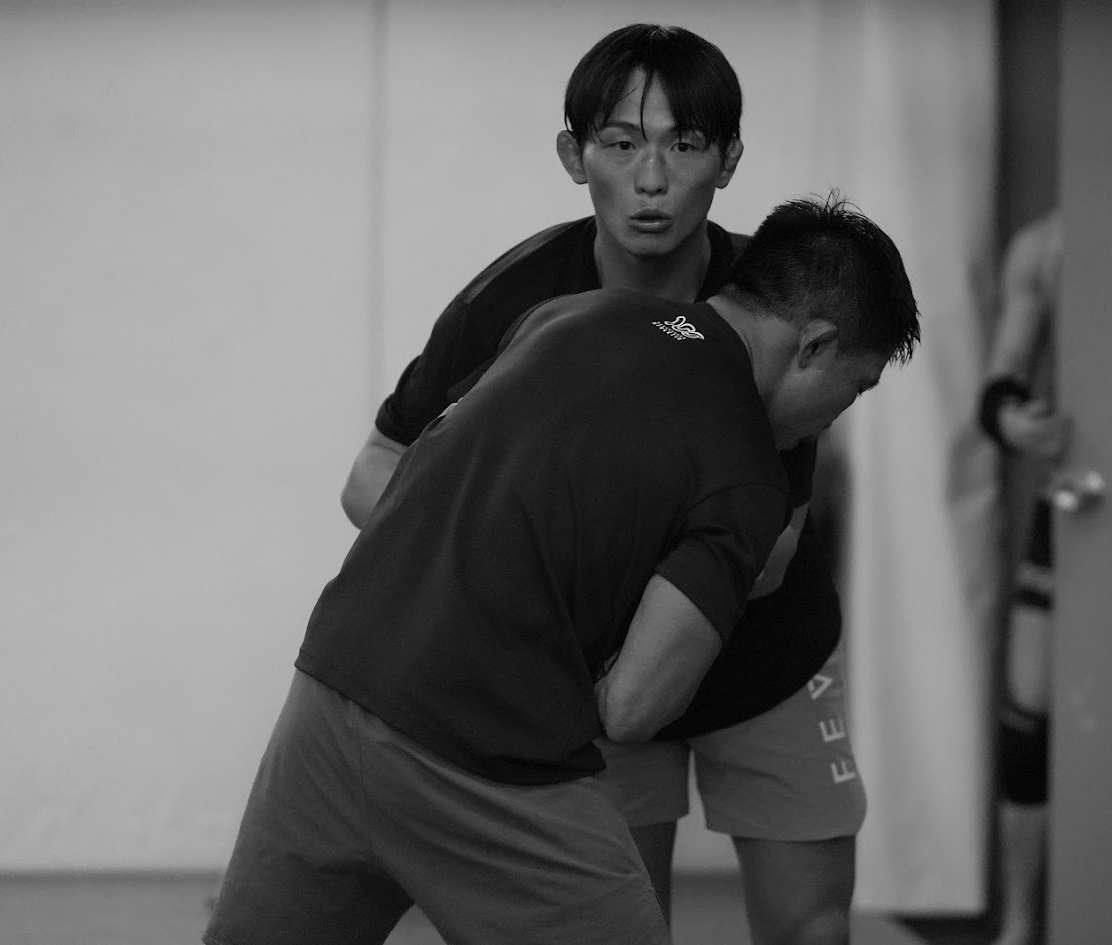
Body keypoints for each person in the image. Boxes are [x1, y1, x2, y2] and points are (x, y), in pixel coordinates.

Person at [202, 193, 921, 945]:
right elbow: (633, 708)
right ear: (813, 345)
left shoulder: (568, 316)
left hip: (329, 698)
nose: (836, 416)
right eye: (856, 386)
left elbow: (432, 466)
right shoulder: (746, 472)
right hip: (487, 757)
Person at [341, 25, 867, 945]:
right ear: (572, 155)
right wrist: (507, 574)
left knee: (812, 929)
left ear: (730, 160)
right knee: (620, 930)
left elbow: (772, 550)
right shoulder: (512, 298)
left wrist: (578, 565)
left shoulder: (773, 297)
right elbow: (372, 475)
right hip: (596, 672)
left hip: (770, 656)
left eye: (685, 144)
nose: (651, 178)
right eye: (621, 143)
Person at [977, 208, 1069, 945]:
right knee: (1028, 714)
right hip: (1078, 494)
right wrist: (1011, 418)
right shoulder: (1044, 246)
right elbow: (1002, 378)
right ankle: (1019, 921)